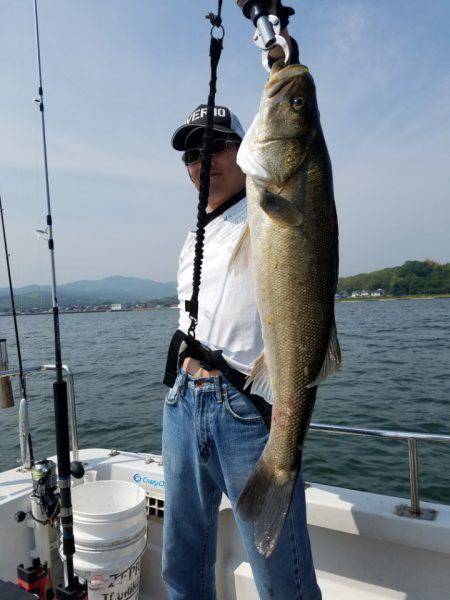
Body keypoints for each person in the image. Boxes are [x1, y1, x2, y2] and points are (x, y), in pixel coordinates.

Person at [161, 93, 322, 599]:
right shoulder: (194, 233)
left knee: (281, 580)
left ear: (245, 148)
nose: (202, 161)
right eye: (191, 154)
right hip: (183, 404)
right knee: (181, 564)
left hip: (245, 411)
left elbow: (290, 135)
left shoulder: (269, 204)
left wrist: (277, 54)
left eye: (216, 146)